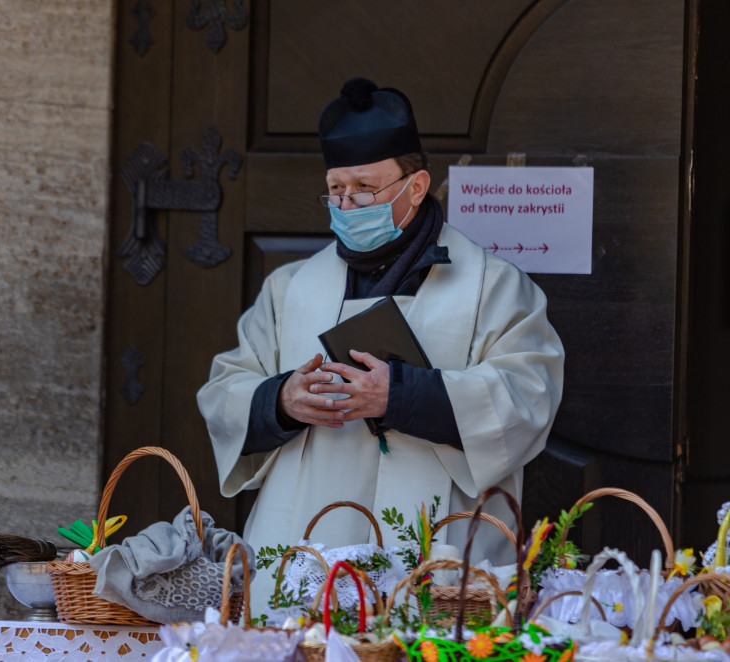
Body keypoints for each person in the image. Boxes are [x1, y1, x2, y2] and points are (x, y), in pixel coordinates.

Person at [196, 77, 565, 611]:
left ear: (416, 187)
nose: (347, 204)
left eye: (365, 190)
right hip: (306, 547)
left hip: (436, 550)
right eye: (336, 190)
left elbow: (529, 394)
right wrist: (281, 400)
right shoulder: (291, 287)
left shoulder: (495, 286)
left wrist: (402, 396)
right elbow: (225, 389)